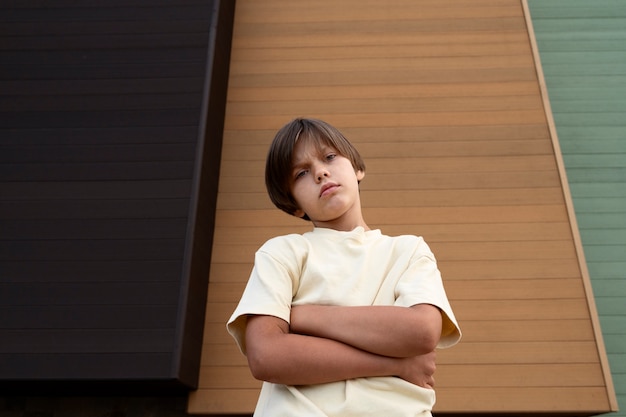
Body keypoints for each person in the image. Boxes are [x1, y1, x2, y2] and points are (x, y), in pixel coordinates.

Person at [227, 117, 461, 417]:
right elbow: (266, 356)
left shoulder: (408, 250)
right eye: (301, 173)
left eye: (329, 157)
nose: (321, 172)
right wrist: (395, 363)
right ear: (293, 203)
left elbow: (422, 331)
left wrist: (302, 316)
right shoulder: (283, 252)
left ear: (357, 168)